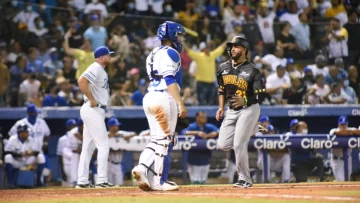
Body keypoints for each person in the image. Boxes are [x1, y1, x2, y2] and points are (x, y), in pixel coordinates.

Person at [131, 21, 187, 191]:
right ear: (170, 35)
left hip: (149, 97)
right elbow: (169, 79)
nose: (180, 38)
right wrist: (180, 102)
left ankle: (141, 168)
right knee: (164, 141)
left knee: (156, 140)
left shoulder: (152, 53)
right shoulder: (171, 52)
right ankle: (158, 182)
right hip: (164, 97)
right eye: (178, 34)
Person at [216, 36, 266, 188]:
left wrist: (245, 101)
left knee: (238, 144)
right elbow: (221, 90)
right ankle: (255, 127)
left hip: (249, 108)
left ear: (244, 50)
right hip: (231, 110)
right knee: (223, 145)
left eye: (236, 46)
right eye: (231, 46)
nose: (232, 49)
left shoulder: (253, 70)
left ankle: (245, 179)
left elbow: (261, 94)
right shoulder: (223, 68)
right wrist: (220, 107)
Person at [76, 46, 114, 188]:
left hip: (94, 110)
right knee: (103, 145)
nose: (109, 57)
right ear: (100, 57)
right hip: (93, 109)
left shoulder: (101, 70)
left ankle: (82, 181)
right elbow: (81, 81)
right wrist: (91, 98)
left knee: (88, 148)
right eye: (107, 55)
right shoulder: (96, 67)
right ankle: (102, 180)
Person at [183, 40, 228, 105]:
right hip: (202, 84)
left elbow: (221, 48)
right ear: (203, 49)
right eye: (207, 47)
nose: (208, 49)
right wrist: (182, 41)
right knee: (202, 103)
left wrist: (228, 40)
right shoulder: (199, 56)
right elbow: (187, 50)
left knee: (212, 103)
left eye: (209, 47)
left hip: (211, 84)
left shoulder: (212, 55)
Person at [181, 111, 219, 184]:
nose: (204, 119)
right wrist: (197, 133)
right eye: (202, 117)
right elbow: (183, 132)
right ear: (197, 118)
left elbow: (219, 131)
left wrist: (215, 133)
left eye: (205, 117)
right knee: (195, 181)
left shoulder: (208, 126)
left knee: (203, 181)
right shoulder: (192, 126)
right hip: (193, 159)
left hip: (205, 159)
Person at [5, 124, 46, 188]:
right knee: (8, 157)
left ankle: (39, 181)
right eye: (26, 132)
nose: (27, 134)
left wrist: (31, 153)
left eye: (27, 132)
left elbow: (37, 152)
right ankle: (11, 182)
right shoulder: (13, 139)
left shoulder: (30, 139)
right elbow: (7, 151)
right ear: (20, 133)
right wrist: (19, 154)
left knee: (41, 157)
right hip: (16, 161)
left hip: (27, 161)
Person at [329, 116, 360, 181]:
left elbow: (359, 132)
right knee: (341, 180)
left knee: (347, 180)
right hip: (336, 160)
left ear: (347, 124)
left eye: (344, 124)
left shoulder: (351, 129)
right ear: (338, 124)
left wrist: (349, 131)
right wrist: (350, 132)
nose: (343, 126)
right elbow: (340, 133)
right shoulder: (333, 130)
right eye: (341, 124)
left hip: (348, 159)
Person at [107, 117, 137, 186]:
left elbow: (134, 133)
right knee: (109, 184)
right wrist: (115, 135)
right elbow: (108, 136)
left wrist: (129, 136)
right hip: (109, 164)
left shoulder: (121, 133)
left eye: (117, 125)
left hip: (118, 164)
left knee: (119, 184)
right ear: (110, 126)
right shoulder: (106, 134)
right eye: (115, 125)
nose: (117, 127)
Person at [57, 119, 77, 187]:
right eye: (71, 126)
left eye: (74, 126)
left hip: (75, 165)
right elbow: (60, 155)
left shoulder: (78, 138)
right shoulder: (62, 139)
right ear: (67, 127)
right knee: (66, 187)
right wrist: (62, 171)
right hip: (66, 165)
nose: (73, 127)